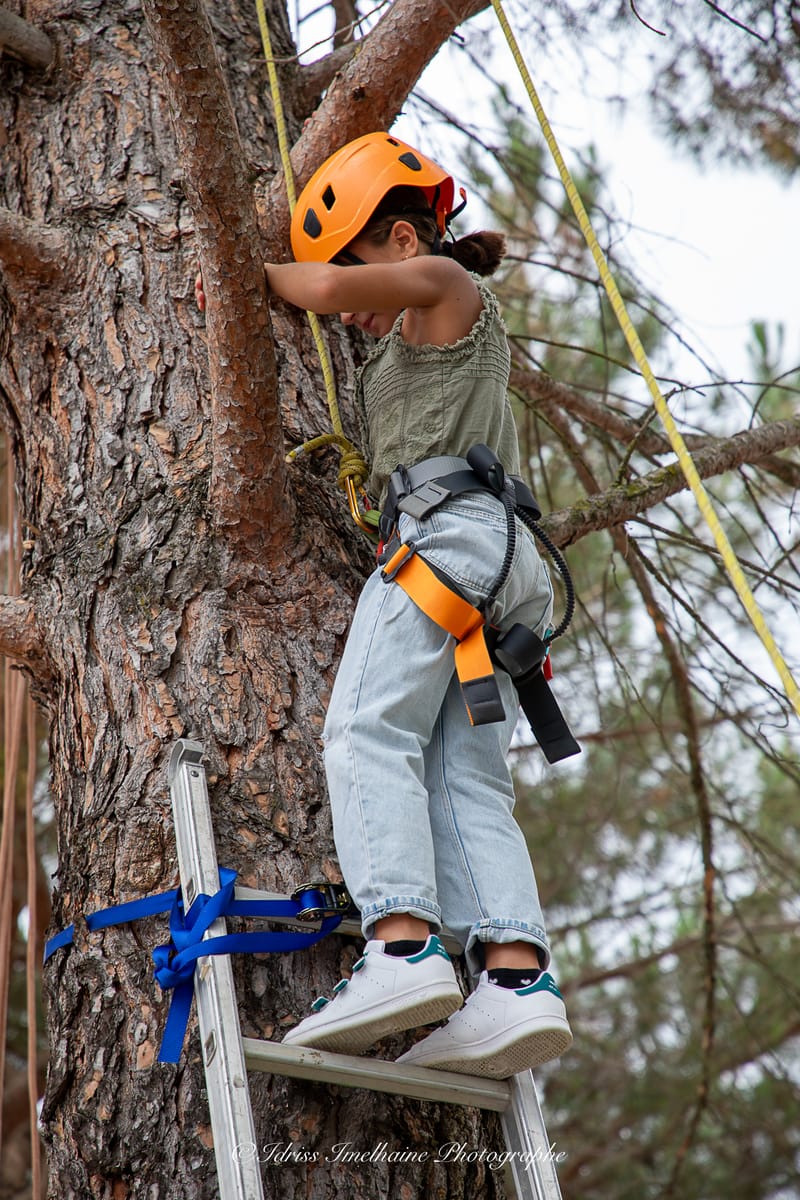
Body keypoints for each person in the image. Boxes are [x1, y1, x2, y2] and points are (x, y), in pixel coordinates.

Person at [198, 132, 572, 1079]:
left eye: (355, 261)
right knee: (466, 773)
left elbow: (319, 294)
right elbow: (348, 315)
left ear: (404, 241)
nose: (349, 304)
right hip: (487, 562)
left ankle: (401, 945)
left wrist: (242, 263)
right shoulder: (406, 351)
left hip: (453, 545)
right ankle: (515, 977)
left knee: (366, 729)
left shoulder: (447, 287)